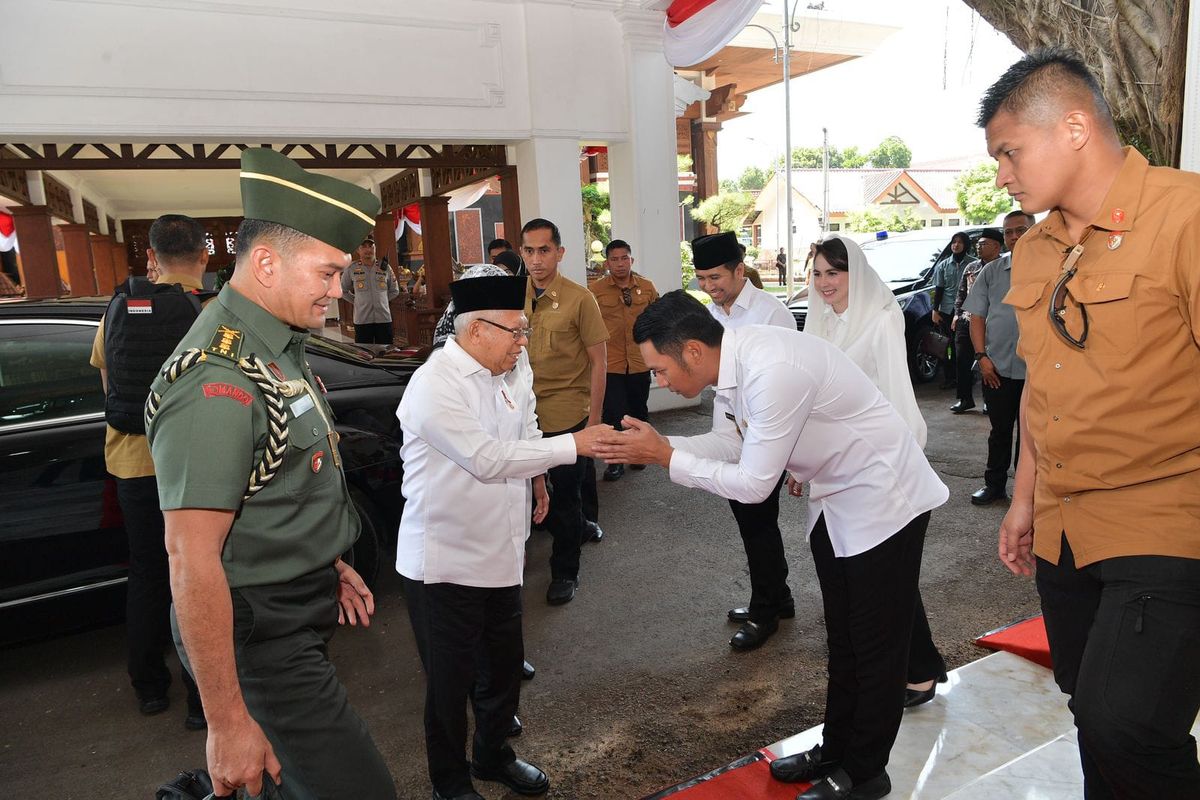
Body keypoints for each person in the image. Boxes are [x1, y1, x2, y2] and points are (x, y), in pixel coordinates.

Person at [594, 291, 948, 800]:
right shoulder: (733, 364)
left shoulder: (771, 369)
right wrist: (662, 446)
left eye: (660, 369)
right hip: (838, 497)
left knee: (875, 647)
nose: (659, 381)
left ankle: (866, 772)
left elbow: (755, 484)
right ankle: (836, 750)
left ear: (693, 350)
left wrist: (666, 457)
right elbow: (733, 443)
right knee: (844, 639)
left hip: (885, 499)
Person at [144, 148, 395, 799]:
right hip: (257, 629)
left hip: (290, 601)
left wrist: (322, 557)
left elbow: (277, 477)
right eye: (329, 272)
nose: (339, 290)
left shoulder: (273, 342)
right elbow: (189, 558)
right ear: (265, 263)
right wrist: (227, 723)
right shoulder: (216, 379)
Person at [985, 48, 1200, 798]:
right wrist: (1023, 500)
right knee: (1091, 712)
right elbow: (1042, 391)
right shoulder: (1035, 250)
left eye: (1010, 152)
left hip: (1166, 517)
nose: (1002, 176)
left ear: (1074, 128)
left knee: (1126, 724)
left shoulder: (1186, 215)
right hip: (1065, 527)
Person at [398, 273, 608, 800]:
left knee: (503, 669)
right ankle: (450, 784)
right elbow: (487, 459)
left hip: (503, 549)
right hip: (444, 562)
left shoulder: (507, 368)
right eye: (516, 331)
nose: (523, 342)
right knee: (449, 686)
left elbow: (527, 424)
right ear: (476, 331)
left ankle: (493, 756)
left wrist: (537, 477)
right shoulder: (435, 383)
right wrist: (574, 445)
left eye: (524, 330)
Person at [806, 234, 950, 708]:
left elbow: (897, 396)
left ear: (856, 273)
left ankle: (916, 675)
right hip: (835, 469)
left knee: (881, 579)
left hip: (878, 468)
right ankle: (922, 665)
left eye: (834, 272)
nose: (824, 282)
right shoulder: (820, 322)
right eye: (818, 273)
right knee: (876, 578)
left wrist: (897, 469)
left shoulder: (883, 319)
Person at [89, 213, 208, 730]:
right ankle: (200, 701)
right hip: (190, 466)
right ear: (204, 256)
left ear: (151, 258)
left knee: (147, 572)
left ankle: (149, 687)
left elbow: (109, 385)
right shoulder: (206, 313)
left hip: (132, 463)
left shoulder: (117, 308)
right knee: (199, 574)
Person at [693, 231, 795, 651]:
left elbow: (787, 381)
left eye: (715, 277)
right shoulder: (711, 316)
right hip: (728, 431)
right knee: (752, 519)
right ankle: (779, 596)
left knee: (757, 521)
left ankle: (764, 612)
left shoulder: (772, 314)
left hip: (765, 434)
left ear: (739, 270)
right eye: (701, 278)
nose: (708, 286)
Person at [521, 218, 608, 605]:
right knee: (528, 492)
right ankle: (581, 529)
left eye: (544, 250)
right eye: (529, 251)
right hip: (523, 413)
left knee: (565, 496)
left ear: (559, 252)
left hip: (568, 414)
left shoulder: (579, 299)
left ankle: (565, 572)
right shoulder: (513, 297)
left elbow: (599, 363)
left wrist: (594, 423)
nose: (536, 259)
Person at [964, 213, 1032, 506]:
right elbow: (976, 316)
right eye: (1009, 232)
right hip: (998, 367)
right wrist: (982, 357)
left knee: (1032, 436)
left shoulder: (1054, 267)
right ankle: (994, 485)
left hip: (1037, 371)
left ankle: (1027, 492)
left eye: (1021, 230)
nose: (1014, 236)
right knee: (1000, 430)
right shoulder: (991, 272)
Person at [589, 239, 659, 482]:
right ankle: (615, 462)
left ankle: (638, 453)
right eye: (614, 259)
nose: (620, 264)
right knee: (614, 414)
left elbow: (657, 323)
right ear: (607, 263)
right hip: (611, 364)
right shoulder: (595, 291)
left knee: (638, 411)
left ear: (631, 260)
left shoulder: (647, 287)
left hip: (640, 362)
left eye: (624, 258)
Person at [949, 230, 1001, 413]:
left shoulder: (1003, 267)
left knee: (989, 361)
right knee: (962, 360)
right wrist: (957, 314)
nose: (979, 247)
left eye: (983, 244)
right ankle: (965, 399)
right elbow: (961, 292)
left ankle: (989, 399)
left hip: (992, 320)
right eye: (978, 244)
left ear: (996, 246)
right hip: (968, 318)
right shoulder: (971, 267)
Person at [930, 232, 978, 397]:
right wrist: (935, 311)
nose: (956, 245)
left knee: (966, 346)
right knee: (948, 346)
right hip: (947, 311)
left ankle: (968, 376)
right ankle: (950, 377)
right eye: (953, 242)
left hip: (968, 311)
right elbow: (939, 289)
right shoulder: (943, 265)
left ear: (966, 245)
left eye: (960, 242)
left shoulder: (973, 264)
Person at [341, 235, 399, 344]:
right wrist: (357, 301)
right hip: (362, 320)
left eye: (371, 246)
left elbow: (394, 290)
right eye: (364, 247)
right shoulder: (351, 269)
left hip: (383, 318)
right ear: (358, 250)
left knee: (385, 350)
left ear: (375, 248)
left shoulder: (385, 267)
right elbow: (342, 291)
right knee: (364, 351)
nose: (368, 250)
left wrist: (382, 301)